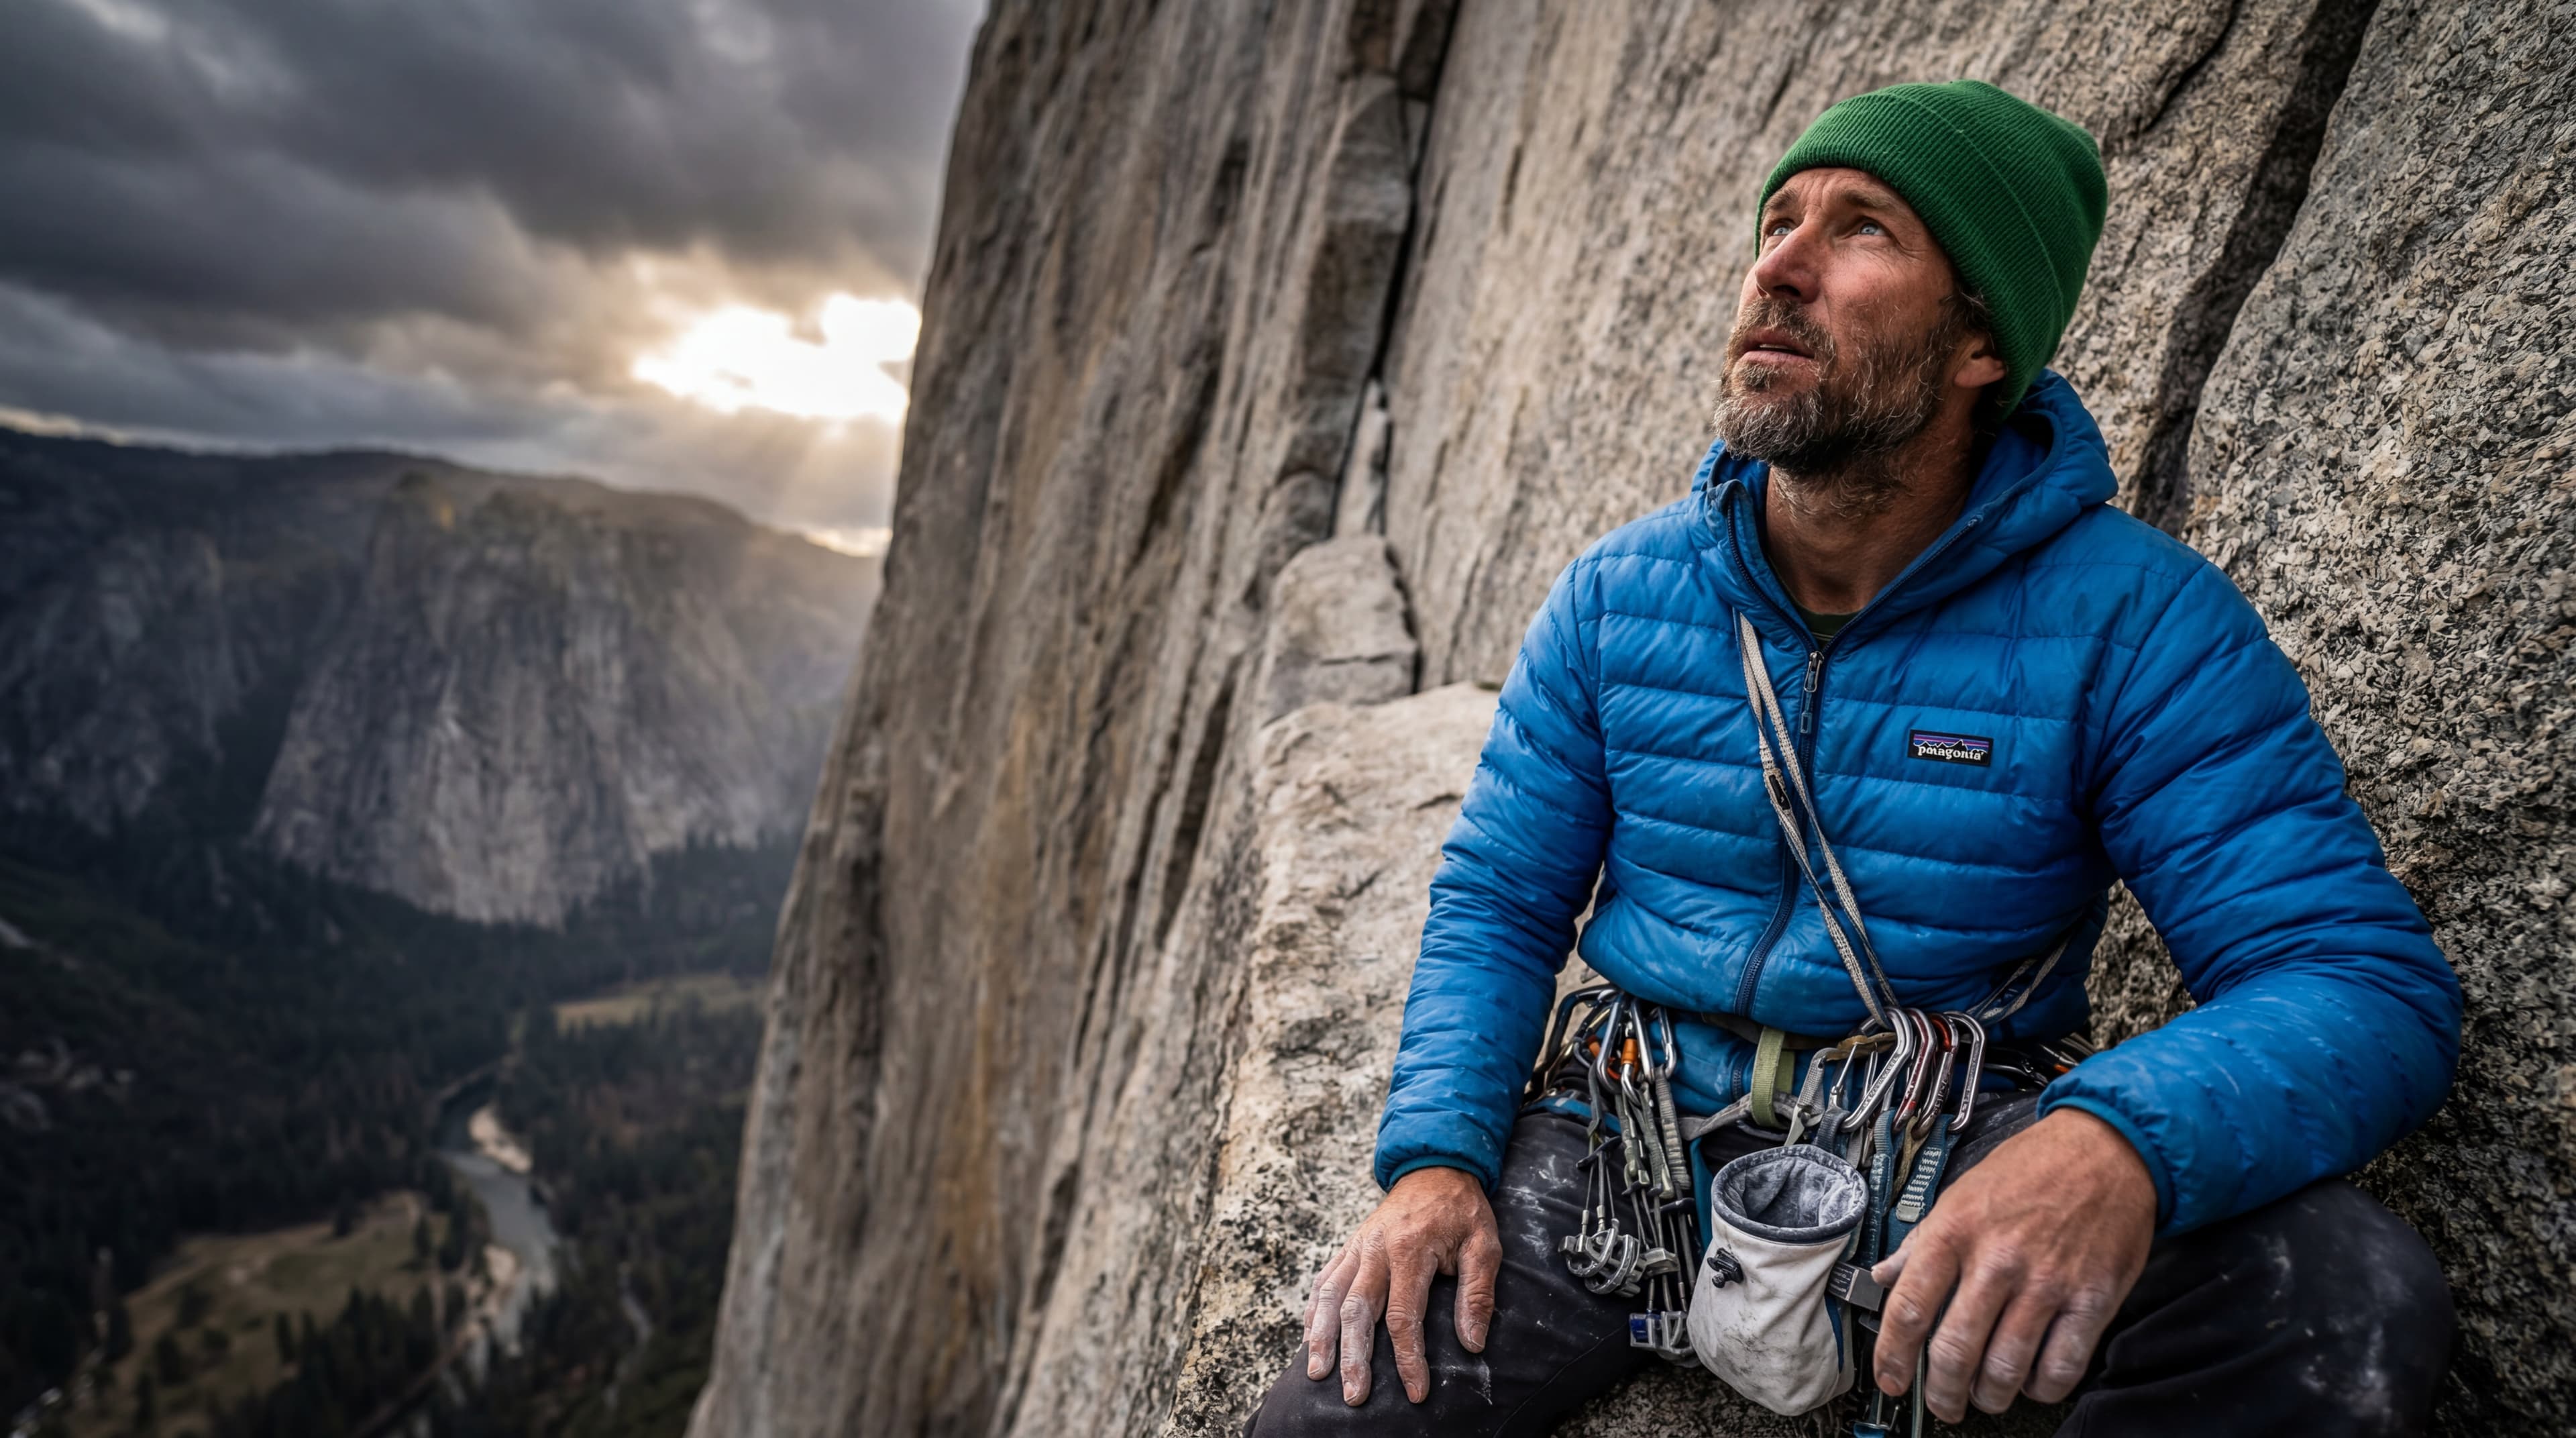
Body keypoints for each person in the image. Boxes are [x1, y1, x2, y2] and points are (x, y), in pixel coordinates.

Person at [1246, 80, 2461, 1437]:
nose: (1779, 266)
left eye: (1862, 228)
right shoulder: (1619, 598)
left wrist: (2115, 1141)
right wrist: (1436, 1159)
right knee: (1335, 1413)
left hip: (1940, 1144)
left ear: (1981, 339)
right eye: (1779, 222)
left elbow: (2360, 983)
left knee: (2344, 1299)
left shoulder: (2136, 623)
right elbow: (1500, 899)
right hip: (1628, 1136)